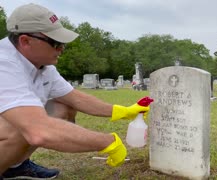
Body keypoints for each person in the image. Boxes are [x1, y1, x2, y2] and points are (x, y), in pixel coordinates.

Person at [0, 3, 149, 179]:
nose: (61, 48)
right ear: (26, 41)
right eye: (55, 43)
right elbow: (38, 130)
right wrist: (107, 142)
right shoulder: (5, 64)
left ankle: (15, 166)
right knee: (20, 128)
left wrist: (123, 111)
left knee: (62, 107)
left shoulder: (41, 65)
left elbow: (74, 98)